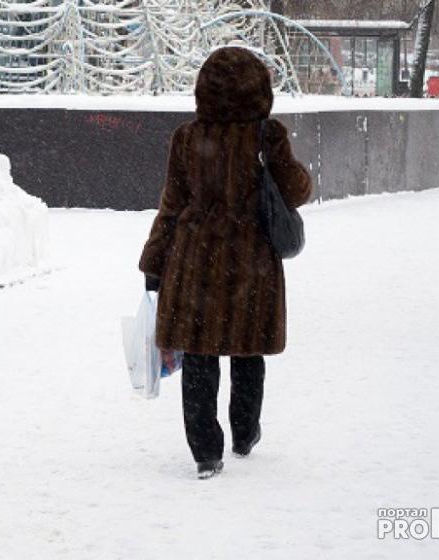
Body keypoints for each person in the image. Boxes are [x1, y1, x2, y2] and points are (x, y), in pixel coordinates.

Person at [138, 47, 312, 480]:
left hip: (195, 262)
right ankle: (245, 432)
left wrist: (154, 262)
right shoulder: (268, 135)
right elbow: (297, 191)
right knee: (248, 350)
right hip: (252, 264)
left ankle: (205, 452)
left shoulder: (187, 137)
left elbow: (171, 205)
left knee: (199, 355)